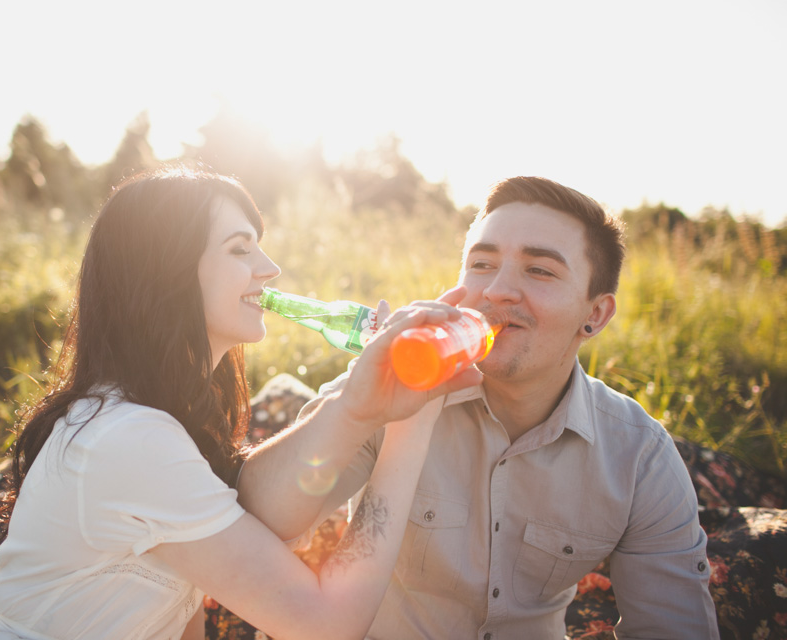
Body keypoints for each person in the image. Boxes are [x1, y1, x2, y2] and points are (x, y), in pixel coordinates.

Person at [0, 166, 483, 640]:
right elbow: (327, 625)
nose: (271, 268)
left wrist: (359, 400)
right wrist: (409, 423)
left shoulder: (158, 423)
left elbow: (186, 607)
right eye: (240, 249)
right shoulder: (129, 439)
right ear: (166, 270)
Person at [238, 176, 721, 638]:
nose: (496, 291)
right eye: (482, 264)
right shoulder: (393, 383)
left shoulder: (639, 455)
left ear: (595, 314)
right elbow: (260, 517)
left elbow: (673, 626)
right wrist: (354, 406)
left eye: (539, 270)